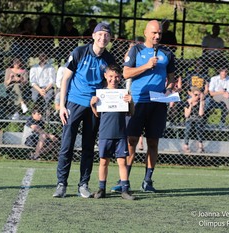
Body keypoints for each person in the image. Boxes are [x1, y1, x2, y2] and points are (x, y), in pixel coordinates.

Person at [52, 22, 116, 198]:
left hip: (94, 106)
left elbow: (110, 82)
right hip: (74, 103)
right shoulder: (79, 52)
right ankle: (61, 184)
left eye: (107, 35)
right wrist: (62, 106)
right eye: (100, 34)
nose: (103, 38)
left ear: (110, 39)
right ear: (94, 36)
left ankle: (83, 184)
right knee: (67, 144)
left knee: (88, 146)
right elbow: (65, 79)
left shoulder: (109, 59)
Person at [122, 20, 175, 193]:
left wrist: (168, 90)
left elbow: (172, 78)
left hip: (158, 104)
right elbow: (126, 73)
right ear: (146, 33)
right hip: (137, 102)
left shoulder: (167, 53)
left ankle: (147, 181)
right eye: (154, 33)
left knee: (153, 142)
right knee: (131, 141)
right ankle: (124, 181)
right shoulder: (136, 50)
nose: (157, 36)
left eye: (159, 33)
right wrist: (146, 66)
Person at [90, 64, 135, 200]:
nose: (113, 79)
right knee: (103, 161)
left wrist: (131, 102)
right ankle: (101, 189)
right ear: (105, 76)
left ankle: (125, 190)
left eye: (116, 77)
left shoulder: (123, 94)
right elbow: (97, 114)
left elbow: (131, 112)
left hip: (121, 134)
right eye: (110, 76)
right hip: (105, 133)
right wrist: (93, 105)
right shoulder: (101, 94)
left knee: (122, 162)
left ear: (120, 77)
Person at [29, 53, 55, 120]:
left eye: (44, 56)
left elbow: (52, 81)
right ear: (39, 58)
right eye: (41, 56)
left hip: (47, 87)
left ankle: (46, 116)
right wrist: (40, 90)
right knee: (35, 97)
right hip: (37, 87)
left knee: (47, 98)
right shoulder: (34, 67)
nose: (43, 58)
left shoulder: (51, 67)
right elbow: (32, 82)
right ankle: (36, 115)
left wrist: (45, 90)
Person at [182, 87, 206, 153]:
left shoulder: (201, 102)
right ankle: (186, 145)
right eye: (195, 95)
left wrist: (201, 102)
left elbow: (201, 114)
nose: (197, 96)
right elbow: (186, 115)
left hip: (198, 119)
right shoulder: (187, 101)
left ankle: (200, 145)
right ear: (192, 94)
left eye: (199, 95)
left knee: (198, 127)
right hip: (190, 119)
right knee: (188, 127)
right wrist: (191, 105)